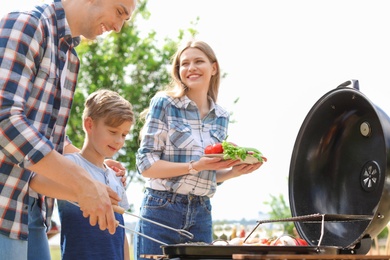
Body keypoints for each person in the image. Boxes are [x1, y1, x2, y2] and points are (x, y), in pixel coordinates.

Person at [0, 0, 136, 259]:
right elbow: (5, 119)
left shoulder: (70, 59)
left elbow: (50, 137)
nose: (118, 27)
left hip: (31, 212)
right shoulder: (27, 24)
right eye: (119, 11)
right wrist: (82, 181)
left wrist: (94, 169)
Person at [134, 39, 265, 258]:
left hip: (201, 212)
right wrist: (195, 165)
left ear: (213, 68)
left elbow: (208, 174)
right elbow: (146, 166)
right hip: (161, 210)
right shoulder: (164, 104)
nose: (190, 68)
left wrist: (233, 172)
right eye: (184, 64)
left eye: (198, 61)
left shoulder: (221, 116)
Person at [52, 89, 134, 260]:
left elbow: (121, 232)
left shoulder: (115, 177)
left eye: (124, 135)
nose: (119, 140)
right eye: (113, 132)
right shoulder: (69, 166)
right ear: (89, 125)